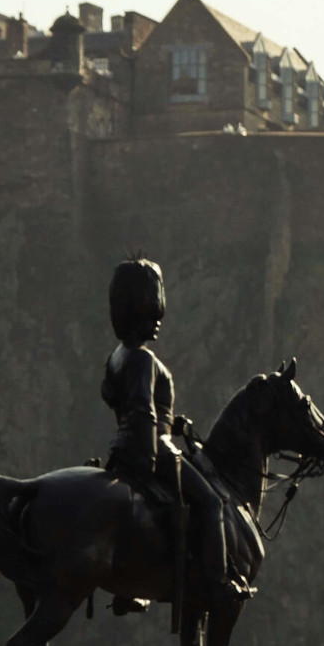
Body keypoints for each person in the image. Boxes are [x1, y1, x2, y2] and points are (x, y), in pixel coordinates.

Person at [102, 257, 252, 606]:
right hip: (154, 448)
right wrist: (152, 457)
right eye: (152, 313)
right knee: (214, 502)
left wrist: (174, 421)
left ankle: (135, 586)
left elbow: (129, 406)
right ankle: (217, 583)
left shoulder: (116, 358)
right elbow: (142, 409)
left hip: (122, 446)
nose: (157, 322)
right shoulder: (142, 360)